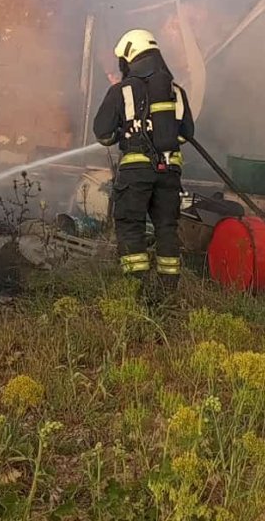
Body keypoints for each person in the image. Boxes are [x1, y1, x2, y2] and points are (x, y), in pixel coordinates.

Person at [92, 29, 195, 317]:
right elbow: (186, 134)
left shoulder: (121, 91)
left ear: (129, 58)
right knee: (166, 228)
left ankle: (135, 293)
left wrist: (128, 135)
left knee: (130, 226)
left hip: (135, 172)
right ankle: (167, 295)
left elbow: (102, 133)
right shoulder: (176, 92)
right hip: (169, 172)